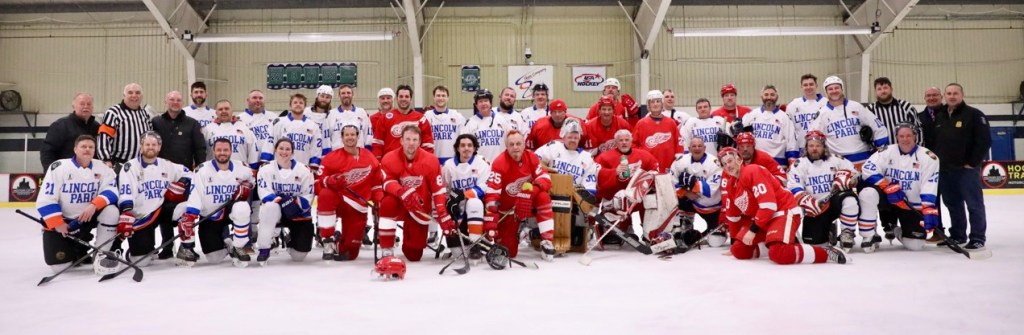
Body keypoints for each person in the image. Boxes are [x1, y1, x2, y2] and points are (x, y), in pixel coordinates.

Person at [718, 146, 848, 265]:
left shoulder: (752, 170)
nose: (728, 166)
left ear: (739, 159)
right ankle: (780, 242)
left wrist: (752, 231)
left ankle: (825, 253)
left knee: (779, 254)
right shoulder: (731, 184)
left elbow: (768, 206)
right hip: (763, 220)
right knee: (739, 250)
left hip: (783, 212)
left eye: (729, 161)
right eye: (724, 164)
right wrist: (734, 242)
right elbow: (733, 216)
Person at [37, 135, 120, 274]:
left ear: (94, 150)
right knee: (60, 267)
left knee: (112, 211)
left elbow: (112, 191)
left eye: (91, 147)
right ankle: (74, 250)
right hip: (65, 222)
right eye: (83, 146)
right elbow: (46, 198)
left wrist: (94, 205)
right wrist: (57, 222)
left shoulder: (103, 168)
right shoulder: (59, 167)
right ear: (75, 149)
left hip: (89, 217)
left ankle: (101, 253)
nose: (87, 149)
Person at [858, 124, 940, 252]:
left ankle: (895, 229)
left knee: (916, 245)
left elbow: (929, 185)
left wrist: (928, 209)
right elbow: (867, 169)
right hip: (888, 199)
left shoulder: (929, 157)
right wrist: (887, 186)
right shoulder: (886, 151)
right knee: (867, 193)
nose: (905, 139)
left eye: (908, 136)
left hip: (910, 205)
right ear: (897, 137)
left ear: (915, 137)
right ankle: (869, 236)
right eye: (901, 136)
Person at [377, 125, 455, 261]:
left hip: (419, 207)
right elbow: (387, 182)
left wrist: (442, 212)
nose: (411, 143)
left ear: (419, 142)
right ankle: (387, 248)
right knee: (387, 203)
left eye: (414, 140)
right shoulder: (389, 158)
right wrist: (401, 191)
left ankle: (410, 240)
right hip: (399, 203)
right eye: (407, 139)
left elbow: (438, 190)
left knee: (414, 255)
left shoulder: (431, 160)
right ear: (401, 141)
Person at [175, 138, 256, 267]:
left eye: (225, 150)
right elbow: (196, 194)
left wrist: (248, 186)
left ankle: (238, 246)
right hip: (210, 215)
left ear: (231, 151)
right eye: (219, 150)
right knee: (214, 258)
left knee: (242, 207)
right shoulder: (202, 170)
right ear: (213, 151)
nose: (222, 153)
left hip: (231, 211)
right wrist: (190, 215)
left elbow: (253, 180)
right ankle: (226, 242)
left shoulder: (242, 168)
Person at [116, 132, 191, 266]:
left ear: (159, 147)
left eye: (154, 145)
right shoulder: (130, 167)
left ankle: (186, 248)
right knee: (141, 262)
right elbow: (126, 191)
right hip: (141, 216)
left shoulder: (167, 165)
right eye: (147, 144)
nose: (150, 147)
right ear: (141, 146)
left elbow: (188, 172)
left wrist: (182, 182)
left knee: (187, 208)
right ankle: (141, 250)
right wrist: (126, 211)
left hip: (161, 210)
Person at [934, 83, 990, 250]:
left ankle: (977, 237)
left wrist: (972, 162)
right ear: (944, 96)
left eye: (955, 93)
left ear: (962, 95)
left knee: (974, 204)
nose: (952, 96)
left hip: (966, 170)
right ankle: (958, 235)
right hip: (945, 169)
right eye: (949, 93)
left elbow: (984, 141)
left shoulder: (974, 115)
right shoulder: (940, 115)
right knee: (952, 204)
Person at [485, 130, 556, 261]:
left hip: (528, 202)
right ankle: (524, 233)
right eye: (511, 144)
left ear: (524, 145)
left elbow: (545, 178)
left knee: (543, 197)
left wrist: (532, 191)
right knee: (509, 253)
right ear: (506, 147)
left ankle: (547, 241)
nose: (515, 147)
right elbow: (492, 195)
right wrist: (491, 220)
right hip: (508, 211)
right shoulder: (499, 163)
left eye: (518, 143)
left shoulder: (532, 157)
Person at [316, 123, 383, 261]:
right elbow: (317, 184)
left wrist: (378, 202)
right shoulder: (331, 158)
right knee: (326, 195)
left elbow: (376, 184)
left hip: (358, 206)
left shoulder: (369, 157)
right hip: (340, 200)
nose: (350, 137)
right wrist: (330, 180)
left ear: (358, 137)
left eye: (353, 134)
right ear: (341, 137)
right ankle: (328, 239)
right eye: (346, 135)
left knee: (350, 254)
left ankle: (340, 242)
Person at [786, 130, 859, 249]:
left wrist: (848, 179)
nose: (814, 149)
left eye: (818, 145)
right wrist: (806, 200)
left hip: (834, 202)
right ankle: (829, 230)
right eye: (811, 146)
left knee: (849, 198)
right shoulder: (799, 165)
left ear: (824, 146)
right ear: (806, 147)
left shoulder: (836, 159)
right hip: (815, 208)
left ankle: (847, 232)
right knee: (815, 245)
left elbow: (855, 173)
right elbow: (793, 186)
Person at [255, 138, 315, 265]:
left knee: (299, 256)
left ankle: (290, 240)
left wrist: (295, 203)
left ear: (292, 152)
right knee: (269, 207)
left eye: (288, 149)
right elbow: (264, 193)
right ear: (275, 150)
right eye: (281, 148)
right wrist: (285, 202)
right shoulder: (265, 169)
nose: (284, 151)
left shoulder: (304, 170)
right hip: (275, 211)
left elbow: (308, 195)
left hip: (296, 211)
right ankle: (264, 248)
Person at [594, 130, 659, 246]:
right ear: (616, 142)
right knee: (618, 201)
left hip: (637, 197)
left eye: (626, 140)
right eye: (620, 140)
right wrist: (614, 172)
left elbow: (654, 168)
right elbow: (596, 173)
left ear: (631, 141)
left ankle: (648, 232)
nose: (624, 143)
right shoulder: (604, 157)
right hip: (615, 198)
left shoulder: (643, 155)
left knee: (651, 201)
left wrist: (648, 179)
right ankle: (623, 228)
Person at [808, 76, 889, 167]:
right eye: (830, 89)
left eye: (837, 88)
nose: (834, 91)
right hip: (839, 163)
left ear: (842, 89)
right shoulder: (822, 113)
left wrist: (881, 151)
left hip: (865, 159)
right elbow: (812, 137)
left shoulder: (856, 106)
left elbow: (878, 127)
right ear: (826, 92)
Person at [441, 134, 491, 257]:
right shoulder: (448, 166)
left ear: (474, 148)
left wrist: (464, 195)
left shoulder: (481, 163)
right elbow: (444, 189)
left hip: (478, 208)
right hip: (457, 208)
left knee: (474, 202)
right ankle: (474, 242)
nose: (466, 148)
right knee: (458, 253)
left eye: (469, 145)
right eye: (462, 145)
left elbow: (485, 186)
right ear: (457, 148)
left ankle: (475, 243)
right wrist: (450, 201)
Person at [669, 138, 725, 247]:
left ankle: (710, 231)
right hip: (690, 201)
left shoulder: (714, 163)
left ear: (704, 148)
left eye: (700, 146)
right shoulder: (681, 161)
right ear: (689, 148)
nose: (697, 148)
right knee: (672, 197)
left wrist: (693, 183)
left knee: (715, 242)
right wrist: (685, 192)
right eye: (694, 146)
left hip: (711, 207)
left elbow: (710, 190)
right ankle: (686, 222)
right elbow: (671, 181)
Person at [97, 83, 152, 170]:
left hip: (141, 164)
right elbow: (104, 138)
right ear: (124, 95)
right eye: (130, 92)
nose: (134, 95)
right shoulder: (113, 113)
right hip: (119, 164)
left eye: (137, 93)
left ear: (142, 96)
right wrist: (106, 160)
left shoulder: (144, 114)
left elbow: (150, 138)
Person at [740, 85, 799, 166]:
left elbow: (791, 141)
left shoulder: (784, 117)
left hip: (777, 162)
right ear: (761, 96)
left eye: (772, 94)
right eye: (766, 94)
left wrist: (792, 162)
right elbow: (738, 132)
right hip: (755, 161)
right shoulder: (752, 114)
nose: (769, 97)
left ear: (777, 96)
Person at [371, 85, 434, 158]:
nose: (403, 99)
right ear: (396, 99)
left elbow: (427, 144)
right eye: (401, 96)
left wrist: (424, 161)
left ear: (411, 99)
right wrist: (379, 162)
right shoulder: (385, 118)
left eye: (406, 97)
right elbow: (378, 143)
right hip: (391, 163)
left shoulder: (421, 119)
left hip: (414, 163)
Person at [264, 94, 323, 171]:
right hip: (280, 169)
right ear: (290, 105)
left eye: (301, 103)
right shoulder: (278, 123)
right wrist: (265, 163)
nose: (298, 104)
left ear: (305, 106)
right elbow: (269, 144)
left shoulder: (313, 126)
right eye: (295, 102)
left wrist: (313, 167)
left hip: (303, 170)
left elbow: (316, 149)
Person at [41, 93, 99, 170]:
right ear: (73, 107)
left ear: (92, 107)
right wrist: (52, 172)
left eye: (89, 104)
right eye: (82, 104)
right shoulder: (60, 126)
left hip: (91, 176)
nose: (86, 106)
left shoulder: (97, 127)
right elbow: (47, 152)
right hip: (65, 175)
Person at [917, 87, 945, 242]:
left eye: (935, 95)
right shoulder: (919, 117)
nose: (932, 98)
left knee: (952, 201)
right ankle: (937, 230)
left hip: (948, 165)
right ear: (924, 98)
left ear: (941, 96)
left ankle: (958, 233)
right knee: (932, 199)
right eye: (928, 95)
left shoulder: (948, 114)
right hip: (927, 166)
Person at [151, 91, 205, 169]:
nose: (175, 102)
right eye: (172, 99)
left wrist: (200, 170)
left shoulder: (193, 124)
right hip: (159, 171)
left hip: (184, 172)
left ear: (183, 103)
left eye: (178, 100)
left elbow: (200, 150)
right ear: (165, 102)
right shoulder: (156, 122)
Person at [631, 90, 681, 173]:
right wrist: (642, 155)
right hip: (647, 168)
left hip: (668, 167)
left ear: (662, 104)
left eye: (658, 101)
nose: (655, 104)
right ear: (648, 105)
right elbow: (633, 144)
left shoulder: (671, 123)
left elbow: (678, 142)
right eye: (652, 102)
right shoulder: (641, 124)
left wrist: (678, 157)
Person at [204, 99, 261, 170]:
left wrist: (253, 168)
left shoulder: (243, 127)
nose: (224, 111)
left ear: (232, 111)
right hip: (214, 173)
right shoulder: (207, 129)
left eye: (226, 109)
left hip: (240, 172)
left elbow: (253, 149)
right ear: (216, 112)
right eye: (220, 109)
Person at [462, 89, 517, 162]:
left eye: (486, 101)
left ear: (490, 103)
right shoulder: (470, 123)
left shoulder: (502, 120)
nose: (483, 103)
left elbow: (511, 141)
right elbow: (464, 147)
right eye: (480, 101)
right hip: (480, 166)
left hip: (501, 164)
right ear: (476, 105)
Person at [868, 77, 920, 145]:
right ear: (876, 92)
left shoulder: (905, 106)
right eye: (879, 89)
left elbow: (918, 128)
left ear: (891, 89)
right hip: (881, 153)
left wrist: (918, 147)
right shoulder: (870, 110)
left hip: (905, 150)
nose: (883, 91)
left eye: (885, 88)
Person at [424, 85, 465, 164]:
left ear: (448, 98)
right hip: (432, 160)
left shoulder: (457, 116)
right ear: (434, 97)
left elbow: (463, 139)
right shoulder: (427, 116)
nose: (441, 98)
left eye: (443, 96)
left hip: (453, 161)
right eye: (438, 95)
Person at [324, 84, 373, 151]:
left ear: (353, 94)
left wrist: (367, 153)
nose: (346, 95)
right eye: (343, 93)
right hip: (337, 155)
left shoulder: (362, 113)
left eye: (348, 93)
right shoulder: (331, 114)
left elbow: (368, 135)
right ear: (339, 95)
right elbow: (326, 138)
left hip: (357, 154)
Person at [786, 74, 827, 154]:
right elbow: (789, 131)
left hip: (822, 148)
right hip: (801, 149)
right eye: (805, 85)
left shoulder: (827, 103)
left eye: (811, 84)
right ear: (801, 87)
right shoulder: (793, 105)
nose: (808, 87)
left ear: (816, 85)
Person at [237, 90, 276, 161]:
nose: (258, 100)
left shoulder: (273, 117)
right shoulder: (239, 119)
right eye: (254, 98)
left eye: (260, 98)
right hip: (249, 161)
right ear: (248, 100)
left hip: (270, 162)